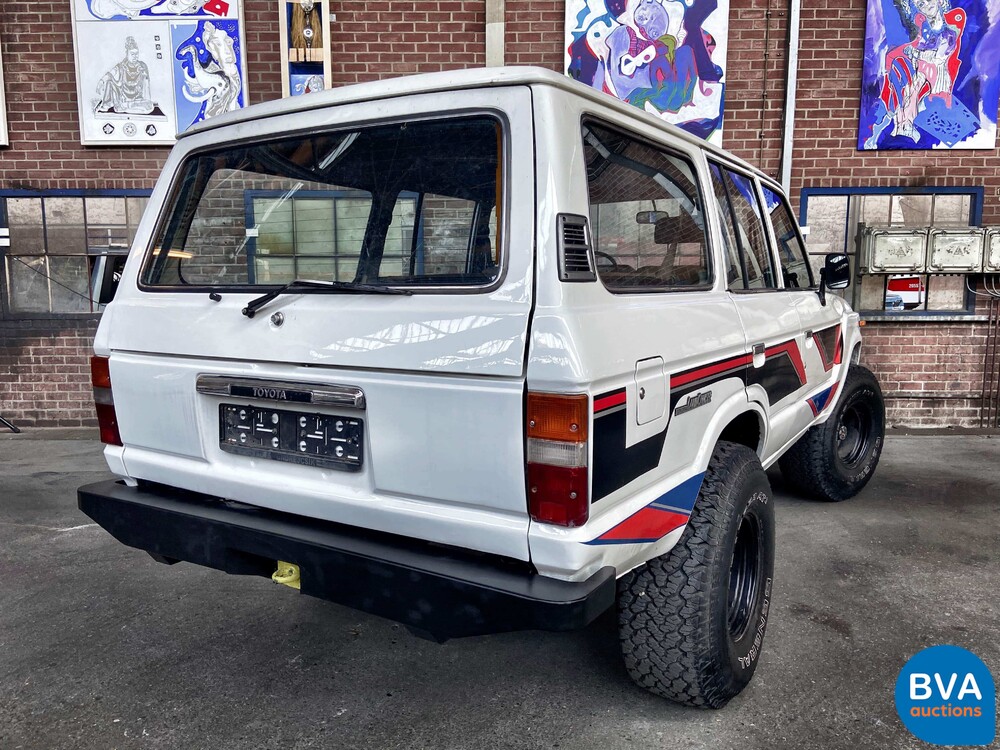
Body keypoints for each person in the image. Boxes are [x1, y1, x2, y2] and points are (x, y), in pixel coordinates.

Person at [95, 36, 156, 115]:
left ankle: (129, 106)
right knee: (110, 82)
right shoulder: (122, 65)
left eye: (136, 54)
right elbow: (111, 73)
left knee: (148, 105)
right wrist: (101, 81)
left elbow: (147, 85)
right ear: (127, 53)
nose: (135, 56)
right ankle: (111, 106)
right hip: (123, 98)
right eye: (132, 54)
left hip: (138, 99)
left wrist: (147, 100)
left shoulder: (142, 66)